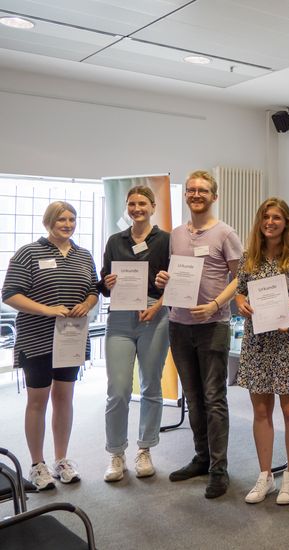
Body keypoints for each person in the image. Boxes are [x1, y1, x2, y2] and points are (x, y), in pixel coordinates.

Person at [155, 170, 242, 499]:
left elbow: (240, 277)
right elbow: (175, 274)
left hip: (213, 325)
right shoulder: (176, 234)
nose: (195, 194)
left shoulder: (225, 233)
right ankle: (202, 457)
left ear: (214, 196)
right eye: (191, 189)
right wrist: (164, 280)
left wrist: (217, 304)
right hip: (179, 325)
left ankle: (219, 469)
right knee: (192, 398)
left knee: (213, 399)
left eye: (202, 190)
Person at [2, 201, 99, 490]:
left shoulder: (83, 255)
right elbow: (9, 294)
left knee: (64, 398)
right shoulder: (29, 253)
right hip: (37, 339)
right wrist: (47, 310)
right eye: (61, 219)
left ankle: (61, 460)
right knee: (37, 401)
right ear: (48, 222)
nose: (67, 224)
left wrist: (87, 304)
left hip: (70, 338)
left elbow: (93, 290)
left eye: (72, 219)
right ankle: (37, 464)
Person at [234, 197, 289, 505]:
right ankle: (265, 476)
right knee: (260, 411)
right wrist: (240, 302)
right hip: (257, 343)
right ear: (259, 222)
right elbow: (240, 289)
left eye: (276, 217)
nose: (270, 222)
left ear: (287, 223)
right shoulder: (249, 257)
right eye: (265, 217)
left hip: (288, 341)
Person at [98, 186, 170, 482]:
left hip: (155, 313)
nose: (137, 208)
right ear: (127, 208)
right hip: (120, 316)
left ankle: (145, 449)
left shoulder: (166, 240)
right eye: (132, 204)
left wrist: (166, 284)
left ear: (153, 206)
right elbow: (102, 283)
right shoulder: (116, 240)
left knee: (151, 384)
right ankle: (116, 453)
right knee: (118, 389)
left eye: (142, 203)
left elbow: (177, 281)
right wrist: (108, 282)